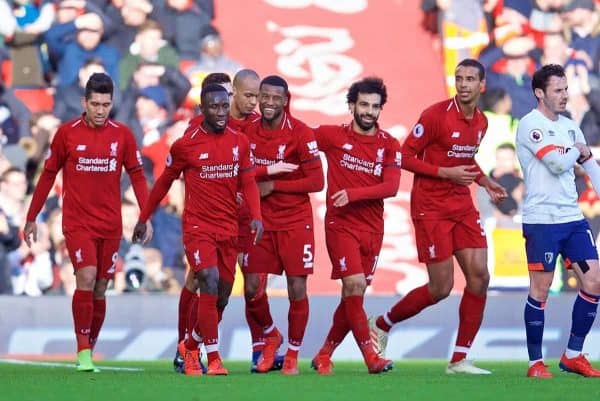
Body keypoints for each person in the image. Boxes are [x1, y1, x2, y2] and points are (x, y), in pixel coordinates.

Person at [369, 58, 507, 374]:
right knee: (441, 287)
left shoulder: (482, 122)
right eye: (459, 78)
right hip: (430, 207)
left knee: (480, 277)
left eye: (470, 79)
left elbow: (466, 159)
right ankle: (381, 323)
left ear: (481, 85)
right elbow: (402, 156)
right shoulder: (435, 116)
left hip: (461, 205)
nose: (463, 84)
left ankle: (459, 359)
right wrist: (444, 173)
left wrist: (484, 181)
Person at [23, 72, 151, 372]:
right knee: (88, 276)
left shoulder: (123, 135)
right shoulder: (67, 134)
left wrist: (144, 216)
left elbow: (137, 176)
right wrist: (32, 216)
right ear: (85, 102)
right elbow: (48, 176)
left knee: (101, 287)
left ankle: (89, 346)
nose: (100, 110)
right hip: (77, 222)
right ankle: (82, 351)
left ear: (112, 104)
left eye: (105, 104)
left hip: (111, 224)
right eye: (95, 103)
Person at [132, 83, 263, 376]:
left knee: (224, 295)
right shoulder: (186, 145)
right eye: (213, 107)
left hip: (229, 228)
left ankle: (190, 344)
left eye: (223, 107)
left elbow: (249, 182)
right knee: (209, 278)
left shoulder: (239, 142)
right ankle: (213, 359)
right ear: (202, 109)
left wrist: (256, 215)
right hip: (198, 227)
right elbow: (164, 181)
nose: (220, 113)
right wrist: (144, 217)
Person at [310, 77, 400, 375]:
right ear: (352, 106)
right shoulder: (333, 136)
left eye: (375, 106)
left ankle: (324, 354)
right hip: (340, 224)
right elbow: (298, 140)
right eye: (364, 105)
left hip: (372, 229)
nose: (369, 111)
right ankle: (371, 358)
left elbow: (391, 187)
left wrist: (354, 193)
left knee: (353, 296)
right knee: (354, 285)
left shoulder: (389, 144)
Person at [515, 64, 600, 378]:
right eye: (558, 90)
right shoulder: (530, 125)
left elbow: (588, 164)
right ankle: (535, 363)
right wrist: (575, 150)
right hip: (542, 221)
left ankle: (573, 355)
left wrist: (581, 153)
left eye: (566, 89)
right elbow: (555, 163)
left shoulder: (569, 125)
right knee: (541, 288)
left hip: (572, 218)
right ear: (540, 93)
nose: (565, 96)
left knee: (594, 280)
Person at [242, 75, 324, 375]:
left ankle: (292, 353)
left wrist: (274, 186)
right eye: (265, 96)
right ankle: (271, 334)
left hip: (294, 221)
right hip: (259, 221)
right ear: (259, 98)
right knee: (251, 287)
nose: (269, 103)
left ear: (286, 100)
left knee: (297, 287)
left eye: (276, 98)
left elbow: (317, 181)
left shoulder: (301, 133)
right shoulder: (247, 130)